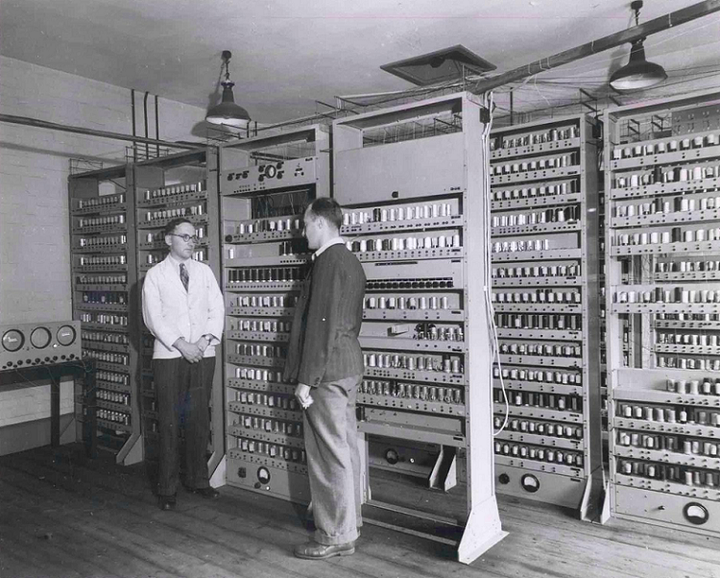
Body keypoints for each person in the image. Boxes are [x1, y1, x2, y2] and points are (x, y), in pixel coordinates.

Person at [284, 198, 366, 560]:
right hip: (347, 366)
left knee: (326, 453)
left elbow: (322, 326)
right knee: (344, 447)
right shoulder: (350, 260)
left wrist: (307, 379)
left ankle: (334, 535)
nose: (304, 233)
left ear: (319, 223)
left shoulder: (328, 262)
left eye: (305, 225)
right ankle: (349, 523)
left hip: (327, 372)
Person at [142, 217, 224, 511]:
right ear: (168, 240)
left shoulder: (204, 272)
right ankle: (167, 488)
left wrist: (203, 341)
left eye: (194, 237)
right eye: (185, 237)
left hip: (202, 353)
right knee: (169, 421)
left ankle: (198, 480)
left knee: (199, 419)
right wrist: (182, 345)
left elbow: (217, 309)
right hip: (169, 356)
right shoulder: (155, 275)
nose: (191, 242)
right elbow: (153, 318)